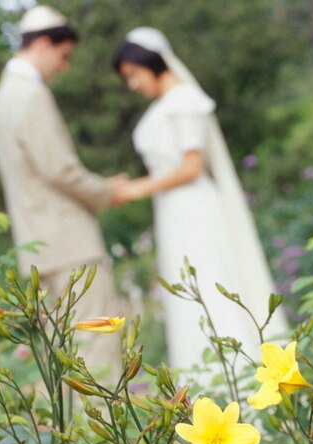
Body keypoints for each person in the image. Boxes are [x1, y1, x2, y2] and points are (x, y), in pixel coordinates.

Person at [112, 27, 289, 379]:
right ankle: (203, 384)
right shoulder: (163, 107)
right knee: (186, 295)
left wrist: (138, 189)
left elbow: (192, 166)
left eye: (133, 75)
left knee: (210, 285)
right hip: (172, 213)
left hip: (194, 210)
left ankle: (237, 382)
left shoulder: (185, 101)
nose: (133, 85)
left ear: (151, 63)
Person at [0, 6, 124, 381]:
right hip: (70, 244)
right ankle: (107, 440)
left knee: (58, 360)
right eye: (64, 56)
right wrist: (106, 191)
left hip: (36, 249)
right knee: (96, 347)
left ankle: (70, 439)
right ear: (44, 43)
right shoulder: (29, 95)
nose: (64, 66)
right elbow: (59, 169)